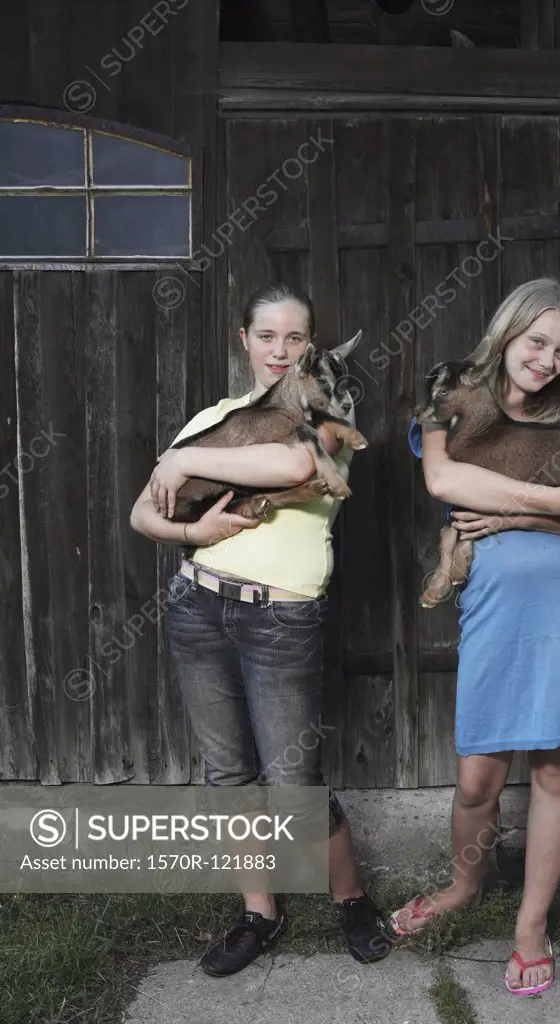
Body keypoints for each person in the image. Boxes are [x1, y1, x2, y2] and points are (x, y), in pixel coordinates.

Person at [130, 283, 390, 976]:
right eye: (268, 336)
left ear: (312, 349)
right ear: (244, 340)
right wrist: (193, 526)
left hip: (281, 616)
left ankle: (352, 900)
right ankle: (259, 914)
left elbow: (300, 466)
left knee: (293, 778)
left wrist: (184, 461)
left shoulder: (329, 408)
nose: (281, 350)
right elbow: (143, 514)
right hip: (198, 606)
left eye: (296, 339)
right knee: (229, 775)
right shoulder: (214, 417)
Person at [389, 278, 560, 997]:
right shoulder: (452, 406)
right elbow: (444, 480)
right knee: (477, 779)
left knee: (557, 773)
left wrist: (524, 517)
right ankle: (466, 886)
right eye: (537, 342)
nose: (547, 360)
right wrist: (552, 499)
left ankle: (530, 925)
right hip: (497, 606)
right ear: (508, 333)